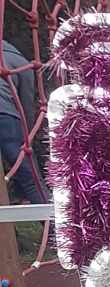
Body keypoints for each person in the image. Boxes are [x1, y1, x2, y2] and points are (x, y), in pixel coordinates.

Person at [0, 40, 45, 208]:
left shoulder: (14, 60)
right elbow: (26, 106)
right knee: (29, 176)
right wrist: (28, 137)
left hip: (5, 114)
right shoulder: (19, 61)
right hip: (6, 117)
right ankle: (47, 217)